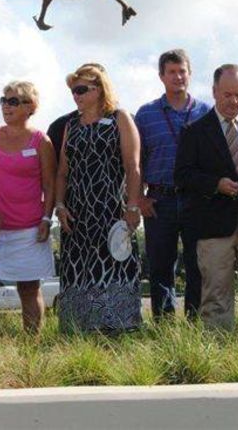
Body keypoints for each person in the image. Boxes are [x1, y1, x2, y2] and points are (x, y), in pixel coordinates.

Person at [175, 64, 238, 329]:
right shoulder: (194, 131)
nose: (233, 101)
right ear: (214, 91)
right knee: (216, 294)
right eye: (227, 94)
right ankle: (217, 352)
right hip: (213, 226)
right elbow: (182, 176)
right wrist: (215, 184)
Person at [55, 64, 142, 333]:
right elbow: (62, 172)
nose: (75, 95)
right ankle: (77, 332)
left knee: (114, 269)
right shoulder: (71, 124)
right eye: (72, 90)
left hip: (112, 211)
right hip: (77, 215)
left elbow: (133, 166)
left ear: (100, 89)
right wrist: (59, 205)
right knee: (77, 272)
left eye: (81, 89)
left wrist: (132, 206)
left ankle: (119, 331)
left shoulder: (119, 118)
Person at [134, 49, 211, 320]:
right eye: (172, 72)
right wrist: (139, 199)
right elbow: (136, 162)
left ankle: (194, 324)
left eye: (182, 71)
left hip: (197, 200)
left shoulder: (206, 112)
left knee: (197, 265)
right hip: (159, 200)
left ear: (189, 74)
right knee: (161, 267)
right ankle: (164, 327)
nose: (178, 76)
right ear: (161, 76)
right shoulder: (145, 115)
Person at [0, 81, 56, 333]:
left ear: (30, 106)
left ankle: (31, 346)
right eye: (4, 100)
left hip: (29, 229)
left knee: (29, 289)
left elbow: (49, 183)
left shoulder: (41, 141)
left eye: (14, 101)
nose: (6, 106)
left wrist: (47, 220)